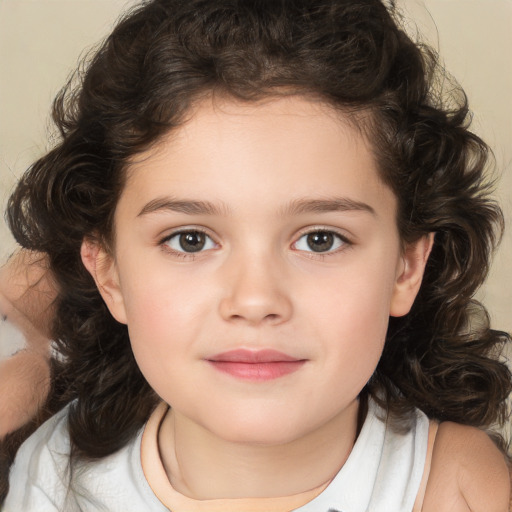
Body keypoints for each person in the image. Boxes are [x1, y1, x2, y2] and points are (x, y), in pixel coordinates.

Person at [1, 0, 511, 510]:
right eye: (190, 240)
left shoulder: (457, 485)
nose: (255, 300)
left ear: (406, 267)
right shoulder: (57, 474)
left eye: (320, 239)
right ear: (109, 274)